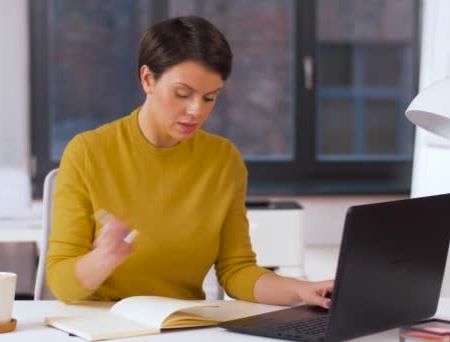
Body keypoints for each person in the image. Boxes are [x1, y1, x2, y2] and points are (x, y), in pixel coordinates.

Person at [46, 15, 333, 308]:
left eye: (210, 98)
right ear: (147, 79)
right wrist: (102, 259)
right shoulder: (87, 153)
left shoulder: (222, 160)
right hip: (101, 325)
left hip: (181, 325)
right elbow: (61, 283)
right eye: (183, 94)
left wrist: (301, 290)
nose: (196, 110)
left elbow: (237, 270)